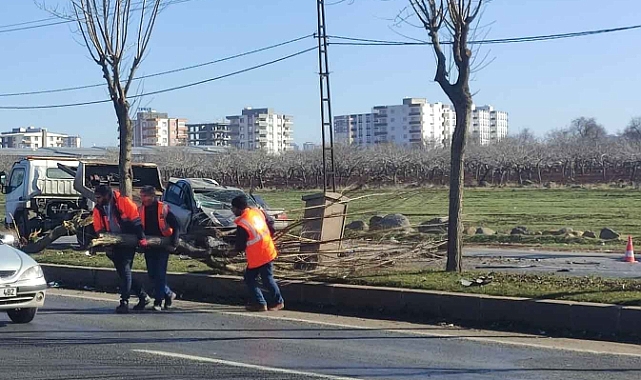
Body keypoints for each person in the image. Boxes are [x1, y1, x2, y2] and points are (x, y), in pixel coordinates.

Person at [93, 185, 150, 314]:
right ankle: (143, 297)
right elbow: (98, 227)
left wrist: (141, 238)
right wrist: (105, 242)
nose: (97, 200)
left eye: (99, 197)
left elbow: (136, 221)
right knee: (124, 273)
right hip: (113, 243)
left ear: (107, 195)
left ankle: (124, 301)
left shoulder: (123, 202)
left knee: (125, 271)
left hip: (128, 241)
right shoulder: (98, 208)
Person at [230, 195, 284, 312]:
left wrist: (231, 253)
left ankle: (271, 302)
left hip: (259, 255)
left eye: (233, 208)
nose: (232, 211)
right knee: (263, 278)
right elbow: (270, 223)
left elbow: (240, 245)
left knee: (255, 278)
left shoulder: (243, 224)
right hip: (267, 249)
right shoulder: (257, 212)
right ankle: (265, 302)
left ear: (239, 208)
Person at [139, 186, 179, 312]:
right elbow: (138, 225)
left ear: (151, 196)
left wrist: (174, 241)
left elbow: (176, 225)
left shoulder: (163, 208)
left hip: (163, 245)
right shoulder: (141, 209)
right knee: (152, 274)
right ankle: (168, 294)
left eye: (144, 196)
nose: (142, 198)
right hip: (149, 245)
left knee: (160, 274)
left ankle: (158, 301)